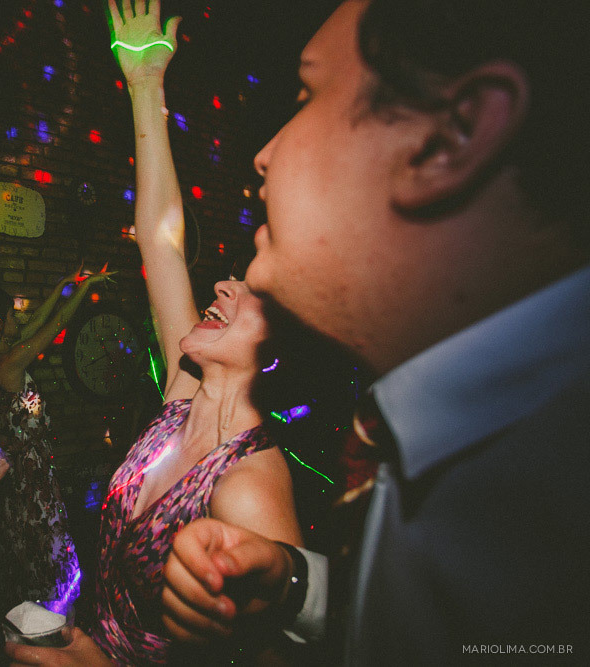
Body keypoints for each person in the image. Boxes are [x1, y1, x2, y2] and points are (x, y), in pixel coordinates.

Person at [162, 0, 590, 663]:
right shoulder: (456, 434)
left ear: (448, 140)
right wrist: (296, 584)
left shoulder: (555, 484)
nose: (263, 156)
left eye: (306, 96)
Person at [6, 1, 305, 664]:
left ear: (281, 351)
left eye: (250, 292)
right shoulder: (183, 391)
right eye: (232, 277)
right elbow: (162, 241)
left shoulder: (249, 485)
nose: (224, 287)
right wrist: (146, 85)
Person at [0, 268, 110, 616]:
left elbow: (38, 321)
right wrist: (85, 288)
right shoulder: (9, 364)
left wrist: (62, 285)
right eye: (12, 315)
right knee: (48, 560)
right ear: (0, 324)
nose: (20, 318)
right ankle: (52, 623)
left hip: (22, 478)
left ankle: (36, 621)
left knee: (31, 560)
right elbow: (55, 325)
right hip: (31, 482)